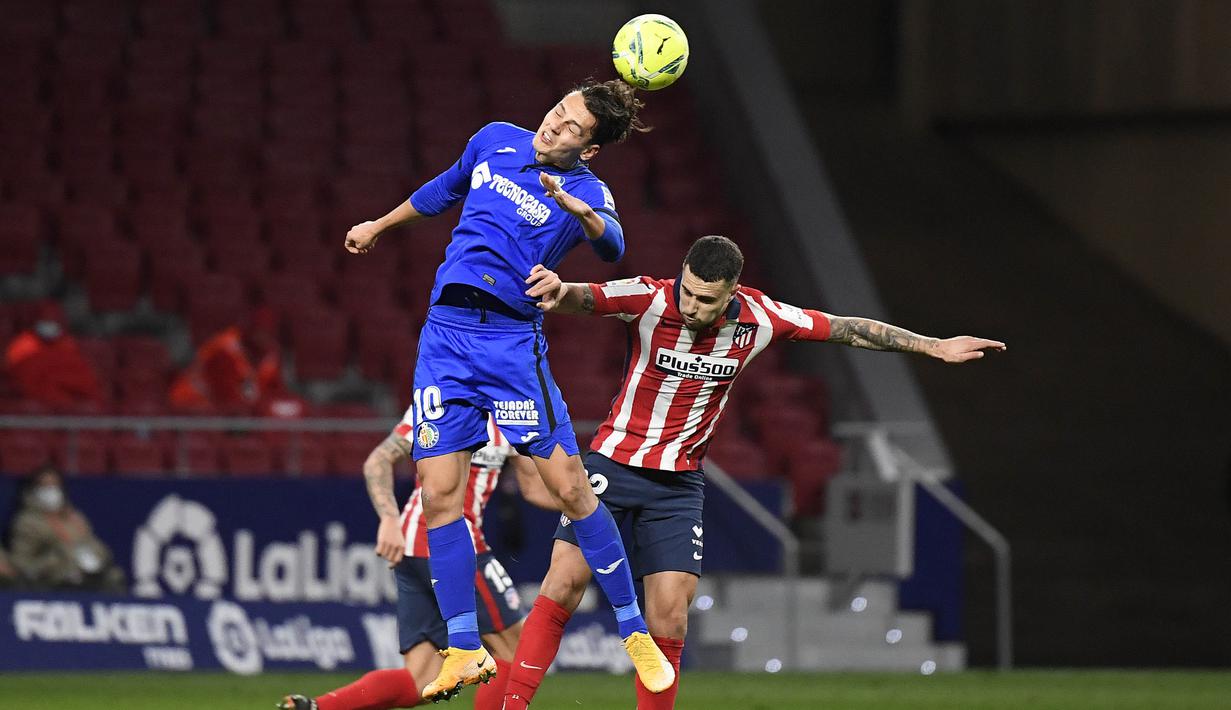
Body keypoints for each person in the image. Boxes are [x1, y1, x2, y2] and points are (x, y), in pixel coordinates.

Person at [503, 235, 1006, 709]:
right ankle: (513, 704)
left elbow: (845, 328)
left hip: (679, 485)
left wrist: (930, 345)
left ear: (732, 293)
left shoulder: (761, 317)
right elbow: (581, 297)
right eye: (690, 293)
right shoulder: (649, 298)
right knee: (564, 582)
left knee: (671, 615)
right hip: (614, 466)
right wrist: (556, 289)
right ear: (681, 275)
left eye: (708, 301)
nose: (694, 307)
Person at [342, 80, 675, 701]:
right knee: (440, 495)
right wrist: (381, 225)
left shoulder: (585, 191)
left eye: (574, 127)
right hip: (444, 338)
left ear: (591, 149)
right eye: (558, 112)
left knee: (571, 488)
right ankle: (466, 650)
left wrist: (582, 215)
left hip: (509, 346)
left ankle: (634, 632)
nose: (555, 126)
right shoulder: (495, 139)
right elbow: (443, 190)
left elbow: (614, 245)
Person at [278, 411, 555, 710]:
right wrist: (387, 518)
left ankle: (315, 707)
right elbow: (378, 461)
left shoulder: (509, 413)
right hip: (454, 544)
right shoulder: (440, 401)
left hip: (416, 547)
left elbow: (535, 488)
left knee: (421, 678)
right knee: (516, 650)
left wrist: (587, 502)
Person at [7, 465, 126, 593]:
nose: (51, 491)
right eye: (45, 486)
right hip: (54, 579)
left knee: (114, 577)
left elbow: (94, 543)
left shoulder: (74, 517)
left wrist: (97, 556)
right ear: (34, 489)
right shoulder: (27, 522)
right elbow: (21, 563)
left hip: (87, 574)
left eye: (55, 485)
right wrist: (55, 560)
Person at [168, 306, 298, 414]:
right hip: (188, 407)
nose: (266, 338)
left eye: (270, 334)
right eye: (262, 332)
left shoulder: (270, 352)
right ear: (251, 330)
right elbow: (226, 398)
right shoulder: (224, 349)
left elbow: (275, 392)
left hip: (221, 412)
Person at [3, 300, 103, 409]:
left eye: (52, 321)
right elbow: (19, 374)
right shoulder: (22, 343)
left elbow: (78, 373)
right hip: (34, 396)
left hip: (66, 399)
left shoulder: (68, 343)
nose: (49, 326)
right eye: (45, 321)